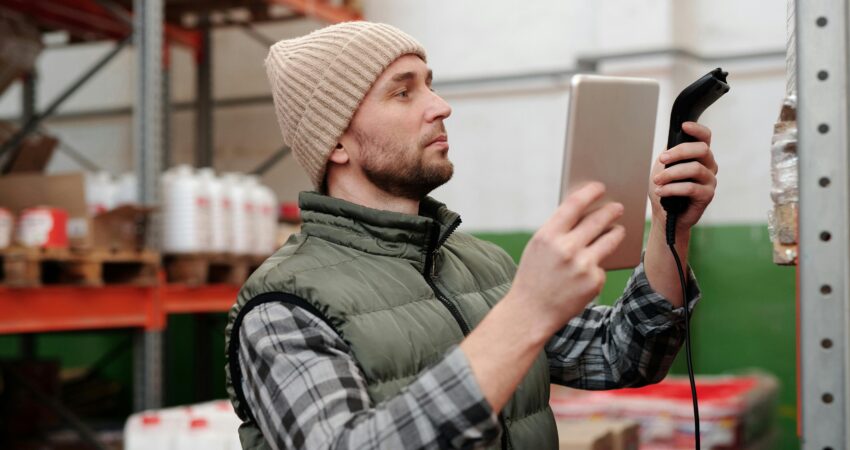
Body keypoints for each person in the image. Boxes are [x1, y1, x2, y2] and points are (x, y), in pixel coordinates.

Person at [225, 21, 717, 450]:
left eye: (430, 85)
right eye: (404, 92)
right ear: (335, 142)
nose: (440, 106)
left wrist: (671, 229)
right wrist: (527, 311)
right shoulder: (281, 307)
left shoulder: (482, 265)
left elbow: (622, 355)